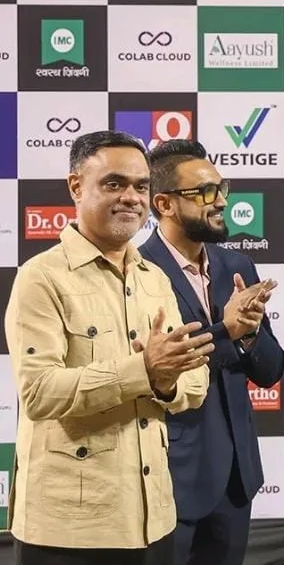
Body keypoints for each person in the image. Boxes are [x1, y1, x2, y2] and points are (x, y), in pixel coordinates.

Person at [4, 130, 213, 565]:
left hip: (154, 519)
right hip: (69, 531)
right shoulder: (40, 277)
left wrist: (166, 382)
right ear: (76, 187)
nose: (131, 198)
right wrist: (144, 371)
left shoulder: (155, 278)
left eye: (141, 186)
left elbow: (194, 381)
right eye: (114, 184)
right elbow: (39, 393)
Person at [138, 139, 284, 565]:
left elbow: (270, 371)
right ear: (164, 204)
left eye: (221, 188)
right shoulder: (139, 271)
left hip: (237, 480)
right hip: (170, 479)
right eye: (204, 192)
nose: (220, 201)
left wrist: (249, 334)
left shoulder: (237, 266)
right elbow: (163, 365)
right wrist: (227, 330)